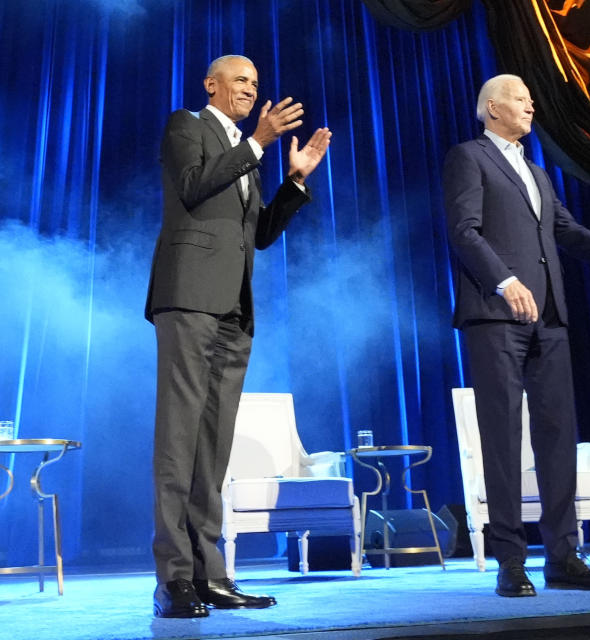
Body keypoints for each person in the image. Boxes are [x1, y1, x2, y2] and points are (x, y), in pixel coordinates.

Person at [443, 74, 590, 597]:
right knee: (501, 439)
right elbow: (463, 230)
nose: (531, 105)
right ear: (492, 108)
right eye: (522, 98)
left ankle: (564, 557)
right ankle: (510, 562)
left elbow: (564, 232)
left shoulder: (538, 173)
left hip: (550, 318)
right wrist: (504, 280)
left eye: (531, 97)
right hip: (496, 317)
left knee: (557, 437)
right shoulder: (469, 157)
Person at [145, 55, 331, 617]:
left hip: (235, 307)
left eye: (256, 82)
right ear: (212, 85)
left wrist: (294, 182)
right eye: (240, 80)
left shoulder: (247, 155)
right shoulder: (188, 126)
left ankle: (212, 575)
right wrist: (257, 144)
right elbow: (195, 187)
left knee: (214, 446)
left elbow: (261, 235)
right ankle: (172, 579)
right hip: (188, 297)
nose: (251, 88)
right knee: (179, 441)